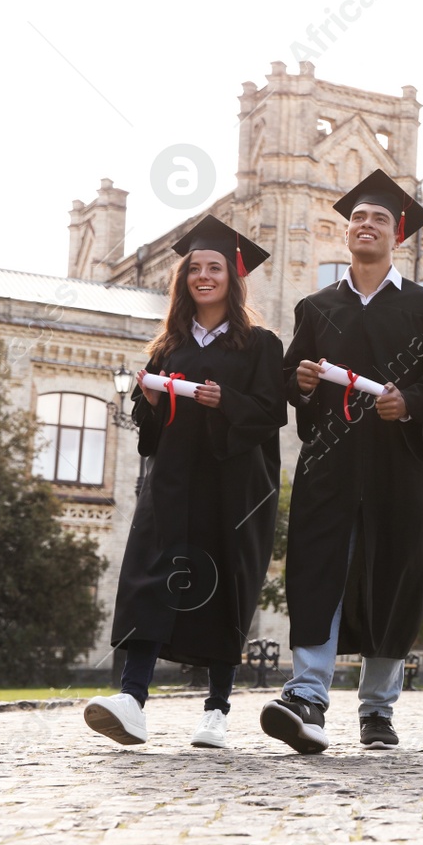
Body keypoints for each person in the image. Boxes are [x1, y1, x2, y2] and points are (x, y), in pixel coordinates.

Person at [260, 169, 423, 754]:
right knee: (317, 569)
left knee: (394, 577)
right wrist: (299, 382)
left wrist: (413, 401)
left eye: (377, 218)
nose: (365, 225)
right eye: (356, 219)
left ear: (397, 233)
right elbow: (292, 382)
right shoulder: (316, 308)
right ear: (346, 234)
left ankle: (378, 708)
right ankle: (308, 695)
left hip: (403, 467)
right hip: (331, 464)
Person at [85, 216, 284, 748]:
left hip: (232, 488)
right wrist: (149, 404)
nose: (203, 276)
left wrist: (228, 402)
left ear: (232, 278)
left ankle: (216, 711)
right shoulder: (168, 346)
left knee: (224, 587)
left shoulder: (261, 344)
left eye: (214, 267)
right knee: (152, 577)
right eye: (194, 268)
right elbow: (147, 431)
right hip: (171, 482)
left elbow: (271, 415)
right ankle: (132, 699)